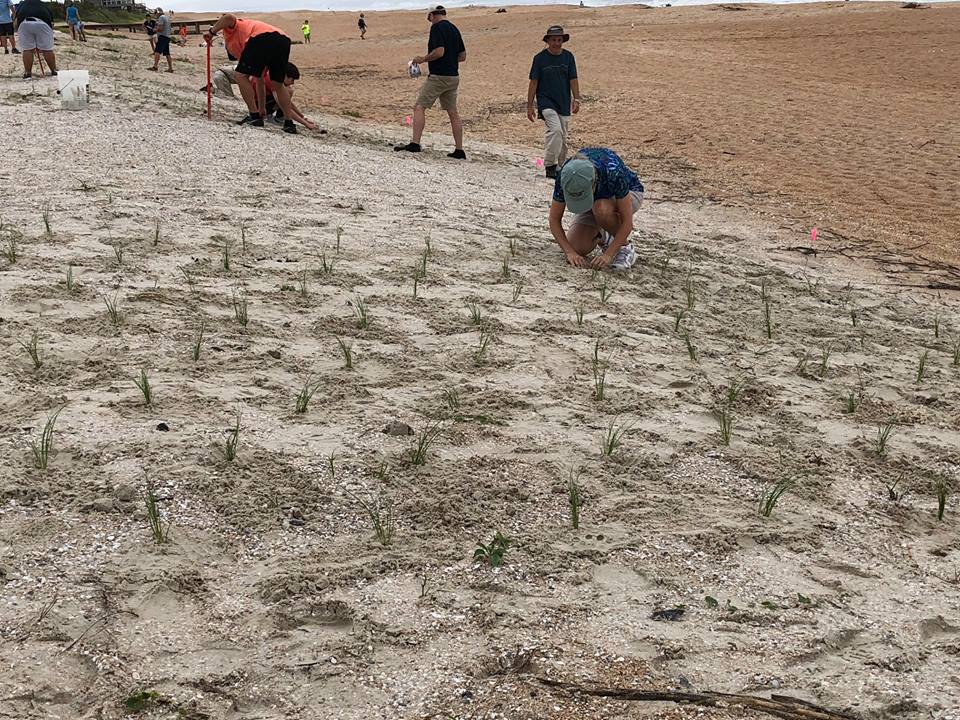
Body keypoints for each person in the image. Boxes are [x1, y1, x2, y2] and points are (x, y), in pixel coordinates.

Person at [204, 14, 318, 132]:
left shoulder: (231, 29)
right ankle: (289, 123)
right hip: (283, 40)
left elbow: (228, 17)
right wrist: (262, 109)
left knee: (240, 75)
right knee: (278, 84)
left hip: (260, 37)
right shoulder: (245, 47)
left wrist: (211, 32)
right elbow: (260, 81)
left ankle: (253, 116)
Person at [549, 148, 644, 270]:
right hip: (594, 201)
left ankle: (625, 248)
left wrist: (608, 255)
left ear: (594, 183)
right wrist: (569, 252)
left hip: (629, 193)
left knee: (601, 209)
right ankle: (606, 236)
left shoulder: (613, 172)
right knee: (577, 247)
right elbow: (554, 219)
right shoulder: (566, 176)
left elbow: (627, 222)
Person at [394, 6, 466, 159]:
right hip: (453, 76)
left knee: (419, 107)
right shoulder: (454, 29)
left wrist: (423, 59)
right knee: (453, 112)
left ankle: (415, 143)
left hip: (439, 76)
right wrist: (450, 60)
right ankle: (459, 150)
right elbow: (462, 56)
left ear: (432, 15)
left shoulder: (436, 28)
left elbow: (439, 51)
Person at [527, 26, 580, 179]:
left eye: (559, 40)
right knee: (555, 130)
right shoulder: (539, 59)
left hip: (564, 101)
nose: (557, 43)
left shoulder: (568, 57)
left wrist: (577, 99)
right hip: (546, 101)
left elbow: (573, 79)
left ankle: (560, 167)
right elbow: (533, 82)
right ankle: (550, 164)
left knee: (563, 138)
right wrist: (530, 105)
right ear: (548, 41)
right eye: (554, 40)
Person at [15, 0, 57, 78]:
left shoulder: (22, 4)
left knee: (27, 49)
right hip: (42, 23)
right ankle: (53, 71)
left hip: (24, 23)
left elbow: (16, 18)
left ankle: (28, 73)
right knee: (47, 49)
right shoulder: (43, 4)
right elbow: (51, 22)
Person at [149, 8, 174, 72]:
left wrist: (155, 30)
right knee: (167, 53)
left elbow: (160, 29)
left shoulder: (161, 18)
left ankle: (155, 66)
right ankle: (170, 68)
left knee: (157, 51)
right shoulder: (167, 18)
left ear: (158, 13)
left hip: (162, 37)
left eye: (155, 13)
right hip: (167, 37)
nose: (155, 15)